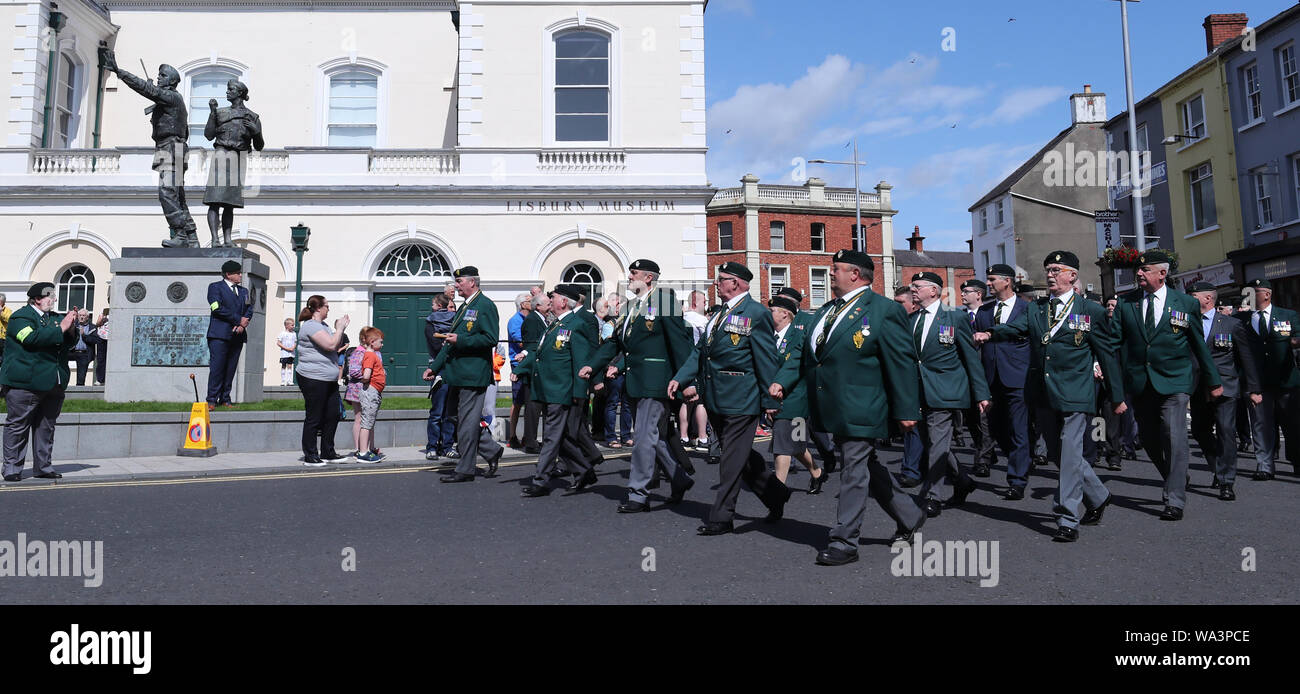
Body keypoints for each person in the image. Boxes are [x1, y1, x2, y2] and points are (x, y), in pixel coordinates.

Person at [771, 250, 924, 565]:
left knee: (853, 470)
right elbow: (802, 354)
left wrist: (908, 409)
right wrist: (782, 382)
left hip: (863, 404)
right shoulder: (826, 310)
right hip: (830, 405)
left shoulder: (883, 310)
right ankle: (909, 515)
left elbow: (902, 363)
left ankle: (844, 541)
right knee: (866, 465)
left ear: (856, 274)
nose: (831, 274)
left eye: (836, 269)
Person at [976, 251, 1126, 542]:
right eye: (1048, 269)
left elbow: (1107, 356)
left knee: (1071, 453)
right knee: (1059, 455)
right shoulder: (1037, 309)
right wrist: (991, 334)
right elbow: (1017, 328)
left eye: (1057, 269)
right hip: (1043, 392)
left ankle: (1066, 516)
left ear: (1073, 275)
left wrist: (1117, 396)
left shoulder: (1090, 311)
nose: (1051, 274)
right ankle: (1099, 495)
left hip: (1076, 392)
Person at [670, 261, 790, 535]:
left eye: (721, 279)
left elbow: (766, 360)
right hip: (716, 397)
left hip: (741, 399)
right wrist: (681, 377)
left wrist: (771, 401)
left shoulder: (756, 313)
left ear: (735, 283)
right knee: (743, 459)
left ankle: (722, 516)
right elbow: (701, 351)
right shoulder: (720, 314)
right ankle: (776, 495)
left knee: (731, 462)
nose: (716, 284)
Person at [1112, 251, 1220, 521]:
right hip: (1140, 381)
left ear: (1162, 273)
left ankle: (1174, 499)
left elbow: (1198, 344)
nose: (1138, 273)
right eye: (1138, 269)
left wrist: (1213, 381)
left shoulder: (1185, 303)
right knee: (1148, 438)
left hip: (1175, 381)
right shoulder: (1127, 304)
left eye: (1145, 269)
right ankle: (1176, 475)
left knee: (1175, 437)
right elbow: (1112, 341)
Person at [581, 259, 696, 512]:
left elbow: (679, 344)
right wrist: (595, 365)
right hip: (634, 380)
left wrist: (686, 380)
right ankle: (679, 478)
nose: (629, 276)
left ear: (648, 278)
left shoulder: (664, 301)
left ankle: (638, 494)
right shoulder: (631, 307)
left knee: (642, 438)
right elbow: (617, 343)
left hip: (656, 382)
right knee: (651, 438)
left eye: (634, 273)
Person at [908, 273, 990, 518]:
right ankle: (962, 480)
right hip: (918, 391)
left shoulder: (955, 318)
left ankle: (932, 495)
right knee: (933, 442)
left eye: (917, 286)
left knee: (936, 441)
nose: (912, 289)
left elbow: (970, 358)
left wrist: (982, 393)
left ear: (933, 291)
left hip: (946, 391)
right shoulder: (911, 320)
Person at [99, 49, 200, 248]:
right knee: (177, 194)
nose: (158, 78)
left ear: (171, 81)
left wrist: (120, 72)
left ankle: (180, 234)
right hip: (172, 147)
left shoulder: (172, 98)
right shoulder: (171, 99)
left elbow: (146, 89)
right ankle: (192, 237)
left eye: (163, 76)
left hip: (170, 148)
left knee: (166, 192)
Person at [514, 285, 601, 497]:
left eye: (553, 297)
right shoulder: (555, 324)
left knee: (552, 437)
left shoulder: (576, 324)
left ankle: (540, 480)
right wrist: (521, 368)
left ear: (563, 302)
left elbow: (580, 363)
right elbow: (540, 355)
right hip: (547, 389)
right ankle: (584, 471)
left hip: (562, 391)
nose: (549, 301)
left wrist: (579, 394)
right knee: (560, 439)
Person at [427, 266, 505, 482]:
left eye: (459, 282)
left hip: (473, 375)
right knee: (455, 417)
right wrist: (434, 367)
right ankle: (491, 450)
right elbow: (450, 342)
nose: (456, 286)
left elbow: (490, 339)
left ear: (472, 282)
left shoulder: (485, 306)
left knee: (468, 422)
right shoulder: (464, 307)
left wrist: (460, 340)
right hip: (456, 374)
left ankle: (465, 468)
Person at [1187, 282, 1261, 501]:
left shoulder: (1231, 324)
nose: (1189, 299)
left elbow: (1246, 358)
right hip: (1198, 386)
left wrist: (1254, 388)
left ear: (1208, 298)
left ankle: (1227, 481)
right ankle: (1218, 466)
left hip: (1226, 386)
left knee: (1226, 430)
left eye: (1193, 295)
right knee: (1200, 430)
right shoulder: (1186, 323)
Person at [0, 283, 78, 481]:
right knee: (18, 426)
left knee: (46, 427)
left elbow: (67, 342)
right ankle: (12, 469)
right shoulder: (20, 318)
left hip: (54, 382)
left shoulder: (54, 318)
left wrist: (71, 328)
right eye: (50, 296)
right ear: (37, 299)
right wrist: (62, 327)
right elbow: (31, 339)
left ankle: (43, 467)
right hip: (25, 383)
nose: (54, 300)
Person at [974, 264, 1032, 498]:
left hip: (1017, 378)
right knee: (997, 429)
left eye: (992, 279)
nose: (988, 284)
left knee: (1019, 429)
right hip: (991, 378)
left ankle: (1017, 480)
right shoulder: (984, 312)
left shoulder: (1026, 309)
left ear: (1007, 281)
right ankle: (1021, 459)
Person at [767, 292, 824, 493]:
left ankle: (777, 492)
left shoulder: (799, 335)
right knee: (797, 446)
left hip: (795, 399)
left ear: (785, 314)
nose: (768, 313)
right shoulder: (768, 336)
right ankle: (817, 472)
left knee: (783, 445)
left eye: (772, 311)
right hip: (775, 398)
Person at [1244, 278, 1299, 480]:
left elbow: (1297, 336)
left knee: (1293, 424)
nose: (1248, 295)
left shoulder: (1288, 315)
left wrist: (1294, 341)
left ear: (1267, 294)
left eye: (1254, 291)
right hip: (1257, 382)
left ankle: (1297, 461)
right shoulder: (1242, 319)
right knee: (1261, 425)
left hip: (1286, 381)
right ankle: (1265, 466)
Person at [203, 79, 264, 248]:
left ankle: (228, 239)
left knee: (229, 203)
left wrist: (256, 132)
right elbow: (208, 135)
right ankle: (215, 239)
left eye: (230, 89)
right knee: (214, 200)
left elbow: (259, 146)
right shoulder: (220, 113)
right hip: (221, 155)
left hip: (238, 158)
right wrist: (212, 112)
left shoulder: (252, 117)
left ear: (239, 93)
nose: (227, 92)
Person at [296, 295, 350, 467]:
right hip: (313, 377)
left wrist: (337, 329)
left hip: (328, 378)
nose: (329, 309)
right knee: (314, 416)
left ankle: (328, 452)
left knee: (333, 414)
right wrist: (340, 328)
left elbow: (335, 344)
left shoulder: (323, 326)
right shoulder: (310, 326)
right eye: (327, 306)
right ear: (318, 308)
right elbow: (330, 345)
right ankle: (310, 455)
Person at [959, 279, 996, 475]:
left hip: (988, 372)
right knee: (972, 418)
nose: (963, 294)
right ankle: (985, 449)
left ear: (979, 294)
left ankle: (983, 460)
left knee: (985, 418)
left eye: (967, 291)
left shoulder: (990, 314)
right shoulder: (958, 316)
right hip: (966, 374)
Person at [206, 260, 254, 409]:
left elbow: (249, 308)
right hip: (219, 334)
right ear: (228, 274)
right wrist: (237, 319)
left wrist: (242, 324)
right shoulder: (215, 287)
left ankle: (225, 398)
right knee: (217, 367)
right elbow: (216, 307)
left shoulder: (244, 291)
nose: (240, 275)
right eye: (237, 273)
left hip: (237, 335)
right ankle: (211, 399)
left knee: (231, 368)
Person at [892, 285, 924, 486]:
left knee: (921, 431)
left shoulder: (919, 323)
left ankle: (911, 470)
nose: (896, 307)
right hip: (905, 383)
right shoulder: (897, 325)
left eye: (900, 303)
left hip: (926, 384)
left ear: (913, 304)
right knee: (915, 431)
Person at [512, 292, 549, 454]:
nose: (549, 307)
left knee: (537, 409)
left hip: (541, 372)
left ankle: (535, 441)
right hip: (533, 371)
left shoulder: (540, 319)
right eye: (547, 304)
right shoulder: (532, 321)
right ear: (538, 306)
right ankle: (531, 443)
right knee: (532, 410)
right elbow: (531, 347)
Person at [422, 293, 457, 460]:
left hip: (445, 368)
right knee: (438, 410)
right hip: (441, 368)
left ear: (437, 305)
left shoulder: (430, 321)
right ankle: (434, 446)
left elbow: (434, 345)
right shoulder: (455, 320)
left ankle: (446, 446)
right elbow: (437, 344)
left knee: (447, 411)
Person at [678, 289, 710, 449]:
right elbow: (708, 342)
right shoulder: (702, 321)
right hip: (698, 364)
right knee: (700, 402)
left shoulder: (681, 319)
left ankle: (683, 436)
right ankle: (702, 437)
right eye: (704, 302)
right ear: (695, 302)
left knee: (685, 402)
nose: (706, 305)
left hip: (682, 365)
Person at [355, 327, 388, 463]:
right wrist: (365, 380)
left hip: (374, 391)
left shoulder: (372, 355)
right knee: (367, 423)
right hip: (371, 391)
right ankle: (363, 452)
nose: (382, 344)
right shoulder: (370, 355)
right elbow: (367, 374)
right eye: (381, 342)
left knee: (368, 422)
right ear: (373, 342)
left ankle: (366, 450)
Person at [506, 292, 532, 448]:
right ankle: (512, 436)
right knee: (517, 402)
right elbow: (520, 342)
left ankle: (527, 436)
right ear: (523, 305)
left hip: (528, 364)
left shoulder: (530, 320)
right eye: (530, 301)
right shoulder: (515, 321)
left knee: (529, 402)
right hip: (518, 366)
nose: (533, 303)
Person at [70, 309, 96, 386]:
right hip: (72, 352)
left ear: (87, 317)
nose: (81, 317)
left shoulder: (92, 327)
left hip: (84, 354)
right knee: (61, 362)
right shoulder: (73, 326)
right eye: (80, 315)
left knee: (81, 378)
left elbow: (94, 340)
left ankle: (78, 391)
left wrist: (84, 335)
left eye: (83, 315)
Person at [276, 318, 297, 386]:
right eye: (292, 325)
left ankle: (289, 381)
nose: (293, 326)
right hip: (284, 353)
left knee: (290, 366)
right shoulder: (282, 333)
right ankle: (283, 381)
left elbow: (295, 342)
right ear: (286, 325)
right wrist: (286, 348)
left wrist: (293, 348)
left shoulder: (294, 333)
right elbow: (278, 343)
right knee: (284, 366)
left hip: (291, 353)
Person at [0, 295, 10, 368]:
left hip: (3, 337)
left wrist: (1, 313)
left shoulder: (7, 310)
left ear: (3, 302)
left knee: (4, 356)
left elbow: (9, 319)